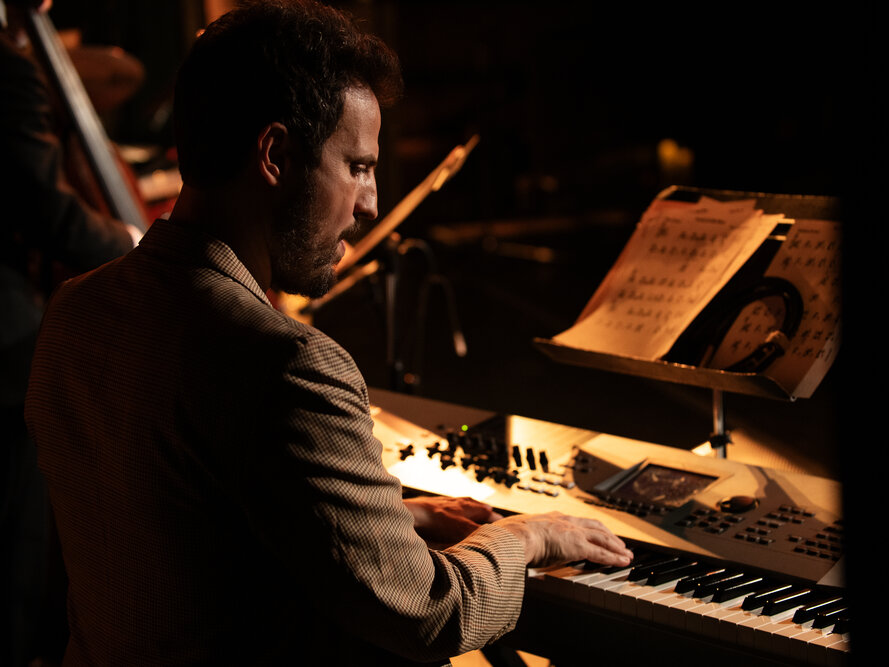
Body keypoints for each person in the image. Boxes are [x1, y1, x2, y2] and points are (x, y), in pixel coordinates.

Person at [23, 2, 632, 665]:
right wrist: (529, 537)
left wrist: (400, 519)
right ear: (276, 155)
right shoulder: (287, 362)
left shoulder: (75, 311)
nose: (370, 204)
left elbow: (180, 520)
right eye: (358, 167)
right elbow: (432, 613)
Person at [1, 1, 141, 664]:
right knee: (17, 545)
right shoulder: (8, 70)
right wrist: (131, 239)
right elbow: (46, 211)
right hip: (6, 338)